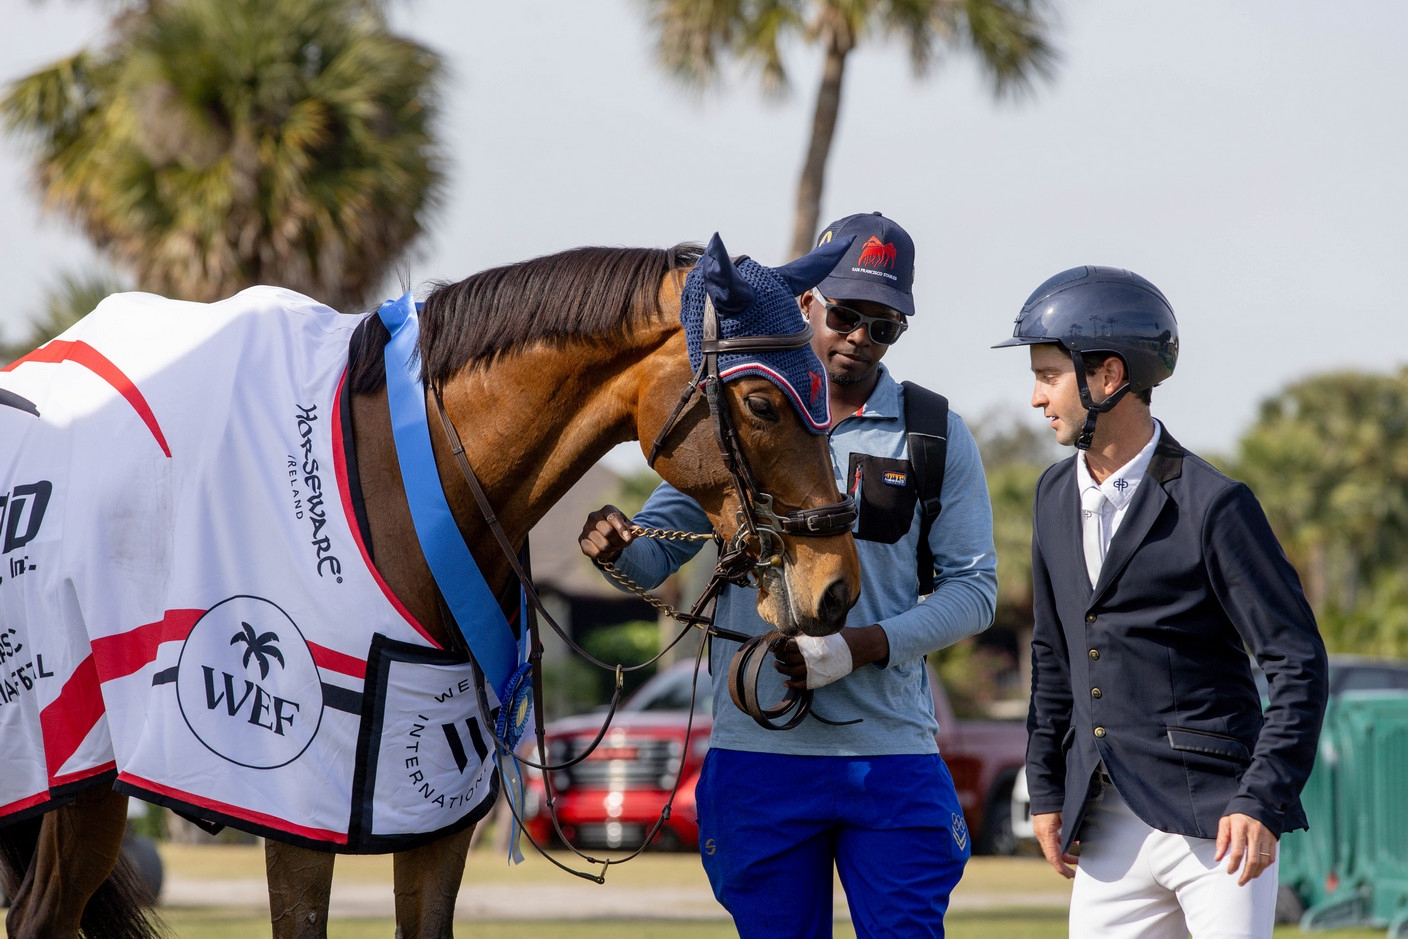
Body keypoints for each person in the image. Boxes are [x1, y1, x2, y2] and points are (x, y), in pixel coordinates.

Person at [579, 212, 997, 938]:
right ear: (807, 304)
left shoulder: (931, 431)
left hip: (892, 756)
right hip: (760, 758)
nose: (860, 336)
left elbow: (974, 591)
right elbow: (654, 560)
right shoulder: (734, 416)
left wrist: (861, 646)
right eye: (846, 313)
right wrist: (617, 548)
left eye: (884, 324)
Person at [994, 266, 1329, 938]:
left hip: (1218, 823)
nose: (1035, 397)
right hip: (1107, 827)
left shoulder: (1215, 504)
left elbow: (1298, 660)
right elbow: (1053, 653)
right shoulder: (1052, 496)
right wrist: (1049, 788)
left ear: (1108, 376)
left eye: (1049, 374)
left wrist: (1261, 798)